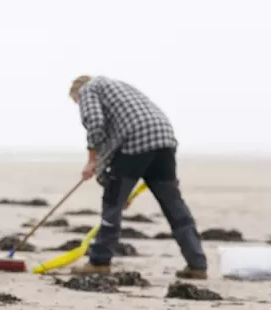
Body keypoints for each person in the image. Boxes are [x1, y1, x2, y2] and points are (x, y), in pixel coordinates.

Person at [68, 75, 208, 280]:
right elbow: (115, 141)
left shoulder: (88, 89)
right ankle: (197, 264)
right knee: (174, 205)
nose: (80, 106)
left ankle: (99, 262)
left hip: (136, 141)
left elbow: (95, 123)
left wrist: (91, 161)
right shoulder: (119, 87)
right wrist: (116, 185)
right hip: (165, 139)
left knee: (112, 204)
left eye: (77, 103)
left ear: (77, 93)